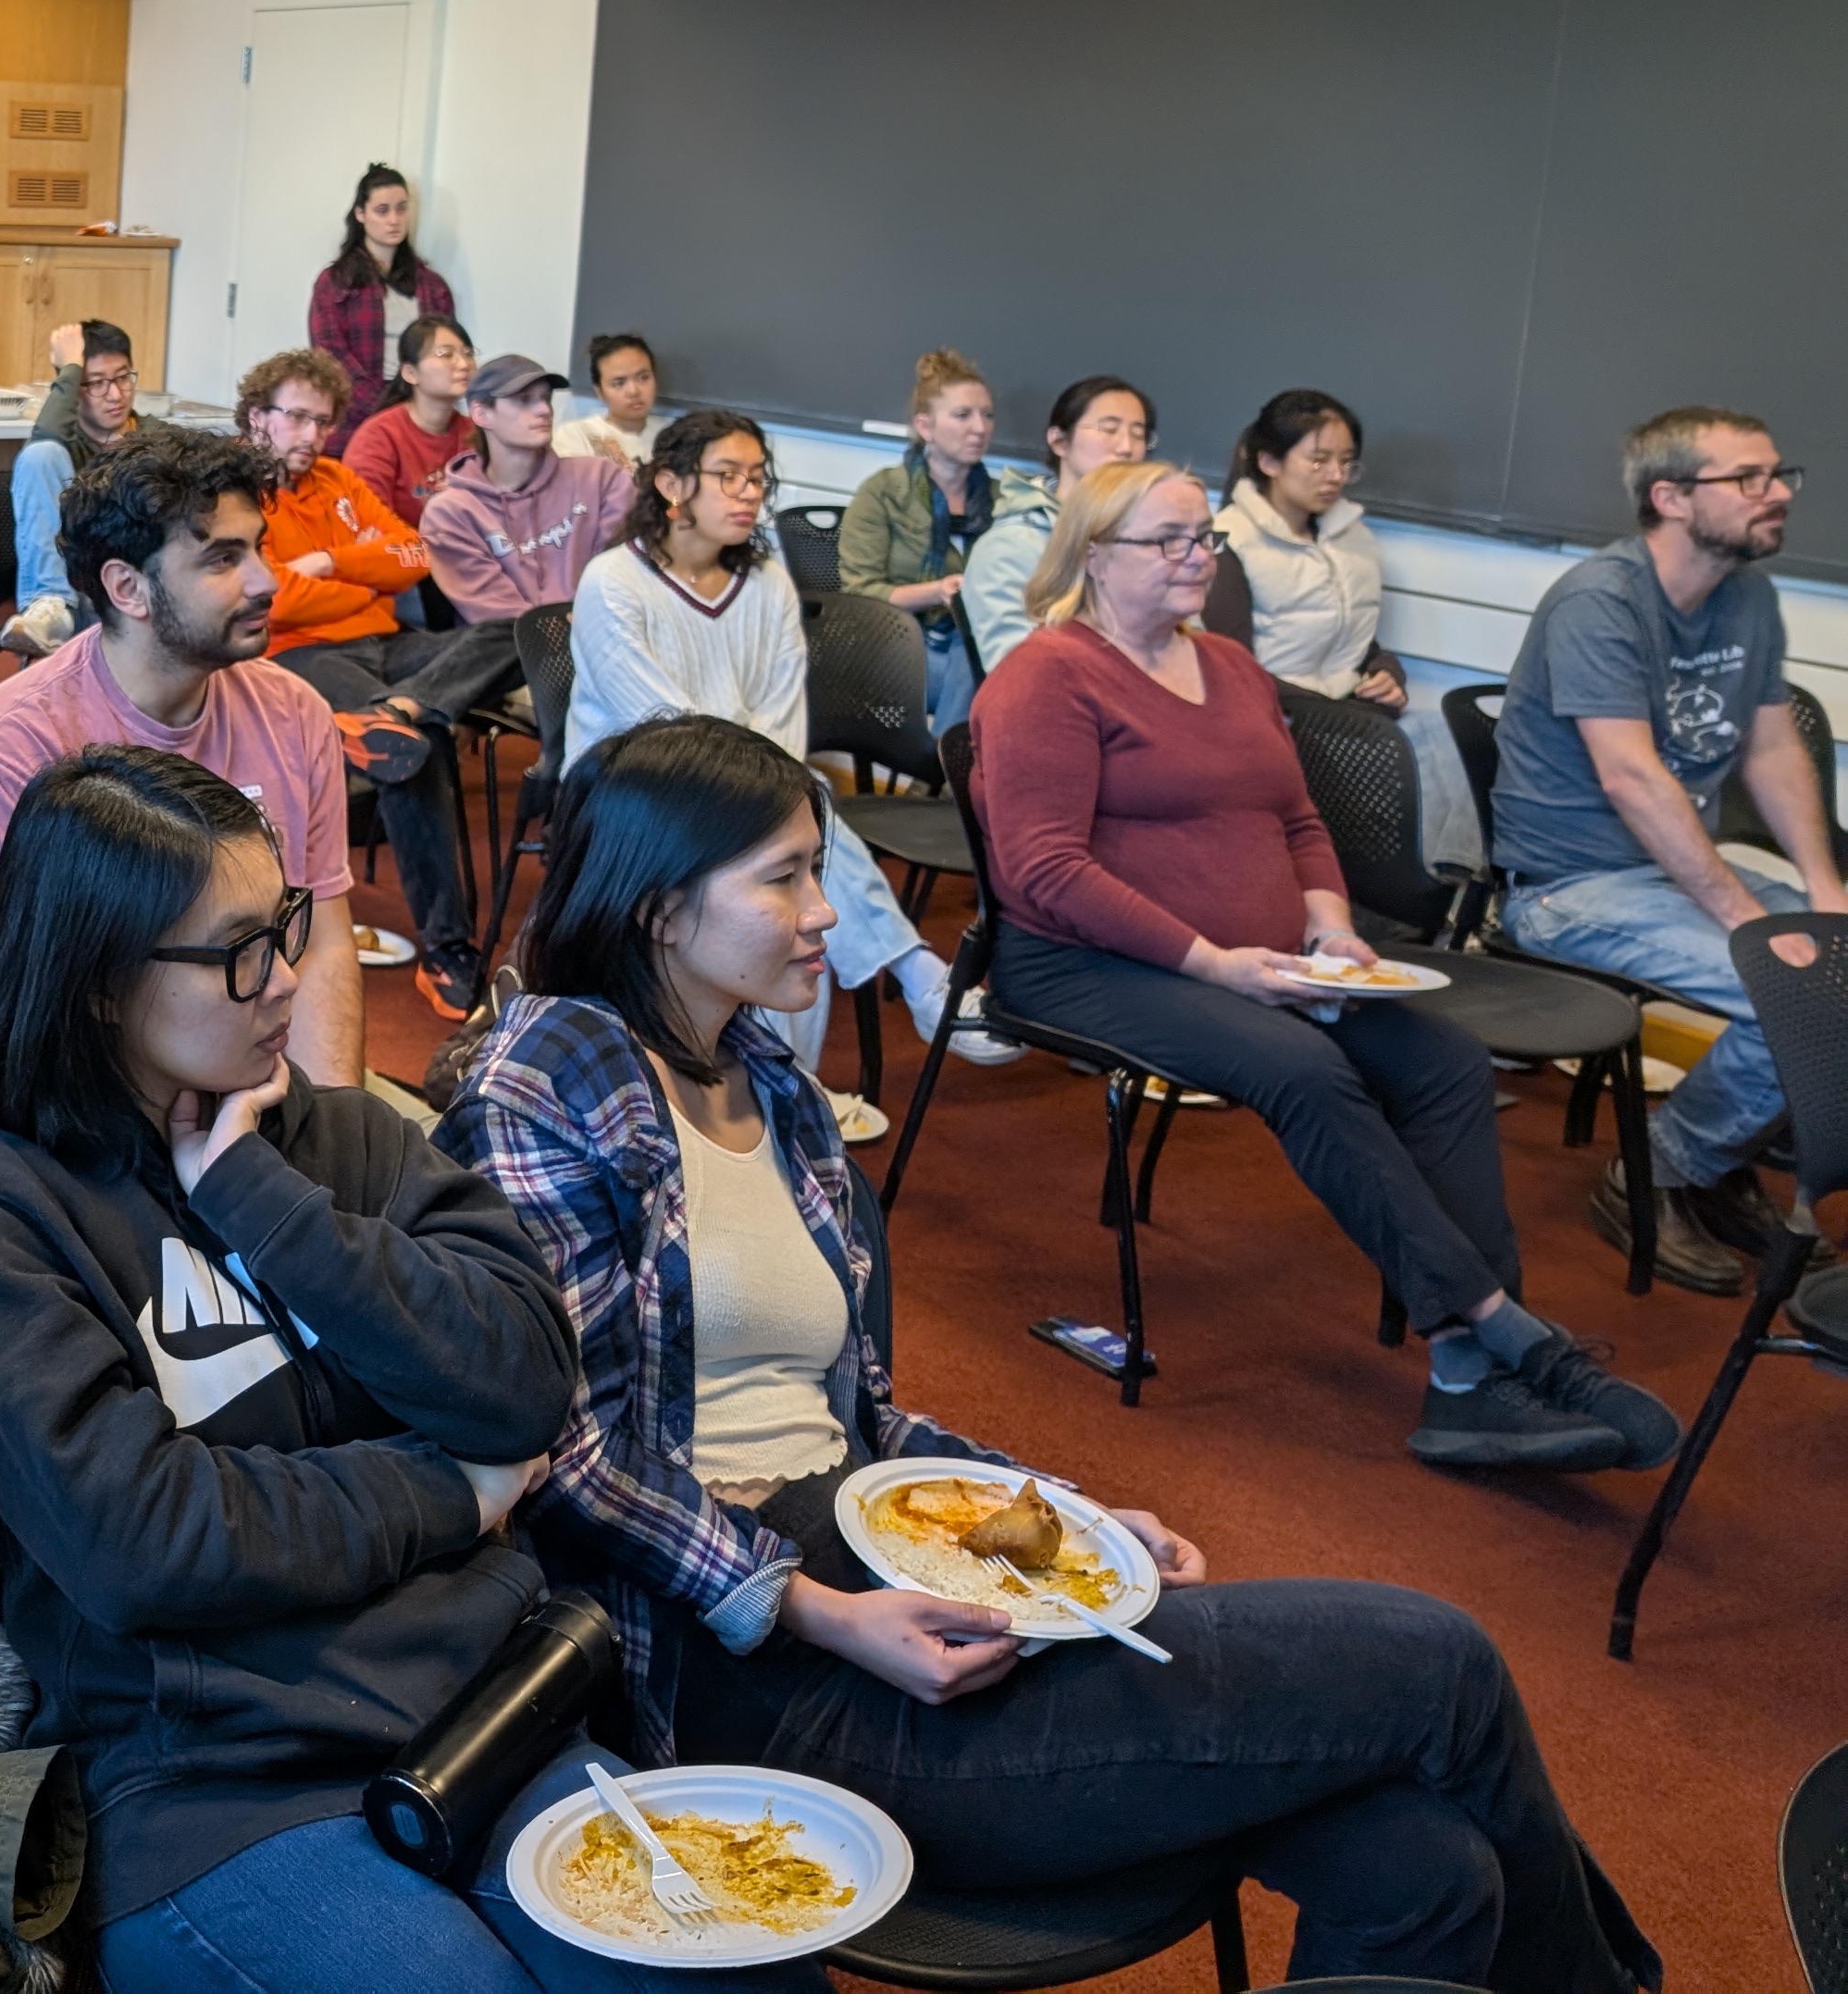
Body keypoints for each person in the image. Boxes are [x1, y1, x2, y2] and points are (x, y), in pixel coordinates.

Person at [437, 715, 1662, 1994]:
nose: (828, 909)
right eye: (787, 875)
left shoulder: (769, 1083)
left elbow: (859, 1420)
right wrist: (818, 1611)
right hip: (746, 1668)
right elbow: (560, 1452)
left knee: (1425, 1870)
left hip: (872, 1578)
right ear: (659, 910)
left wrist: (1063, 1520)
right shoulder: (550, 1075)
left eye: (824, 867)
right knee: (1441, 1660)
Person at [0, 750, 794, 1994]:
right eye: (236, 952)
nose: (285, 980)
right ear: (103, 981)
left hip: (485, 1720)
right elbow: (141, 1541)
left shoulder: (342, 1138)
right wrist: (451, 1498)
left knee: (733, 1974)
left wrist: (259, 1201)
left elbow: (524, 1388)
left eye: (287, 926)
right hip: (210, 1787)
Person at [973, 461, 1680, 1468]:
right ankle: (1497, 1334)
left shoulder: (1229, 665)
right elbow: (1043, 871)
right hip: (1084, 962)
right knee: (1301, 1067)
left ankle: (1466, 1382)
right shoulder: (1046, 677)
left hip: (1259, 963)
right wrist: (1216, 965)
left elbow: (1295, 818)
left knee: (1441, 1060)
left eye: (1203, 538)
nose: (1196, 558)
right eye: (1167, 541)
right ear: (1093, 557)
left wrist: (1331, 932)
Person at [1494, 407, 1848, 1297]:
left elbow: (1770, 748)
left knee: (1833, 960)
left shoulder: (1747, 595)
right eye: (1750, 480)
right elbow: (1634, 780)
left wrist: (1823, 886)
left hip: (1672, 865)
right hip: (1571, 885)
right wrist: (1757, 925)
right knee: (1799, 991)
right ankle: (1656, 1174)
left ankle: (1718, 1161)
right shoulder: (1599, 601)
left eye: (1780, 476)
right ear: (1672, 497)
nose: (1777, 497)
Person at [0, 431, 365, 1084]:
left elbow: (324, 944)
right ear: (128, 588)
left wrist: (329, 1134)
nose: (266, 580)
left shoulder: (296, 715)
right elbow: (23, 1012)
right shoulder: (9, 752)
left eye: (258, 547)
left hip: (253, 1084)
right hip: (90, 1111)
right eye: (222, 560)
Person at [564, 410, 959, 1058]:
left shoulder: (767, 579)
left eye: (757, 478)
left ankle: (788, 1081)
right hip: (636, 792)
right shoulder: (614, 580)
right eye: (727, 476)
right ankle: (915, 971)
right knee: (793, 857)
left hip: (748, 788)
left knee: (795, 892)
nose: (749, 492)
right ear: (670, 484)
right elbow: (661, 725)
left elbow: (783, 710)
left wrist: (767, 793)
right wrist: (761, 795)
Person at [243, 349, 508, 1016]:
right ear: (256, 418)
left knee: (517, 629)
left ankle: (409, 706)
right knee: (407, 755)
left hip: (386, 649)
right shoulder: (238, 492)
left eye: (322, 421)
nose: (311, 435)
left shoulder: (337, 479)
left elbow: (417, 554)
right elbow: (273, 598)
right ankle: (448, 949)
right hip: (297, 655)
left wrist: (331, 559)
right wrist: (363, 586)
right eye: (296, 417)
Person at [418, 355, 636, 768]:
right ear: (481, 413)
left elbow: (624, 573)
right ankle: (568, 815)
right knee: (613, 704)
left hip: (608, 643)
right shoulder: (453, 511)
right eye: (523, 400)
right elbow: (500, 616)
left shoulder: (602, 479)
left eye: (545, 399)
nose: (543, 410)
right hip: (521, 662)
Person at [837, 351, 1004, 733]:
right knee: (980, 659)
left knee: (993, 652)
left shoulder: (1002, 499)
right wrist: (939, 591)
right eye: (963, 416)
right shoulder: (883, 493)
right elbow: (859, 593)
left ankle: (944, 777)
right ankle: (950, 776)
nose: (980, 428)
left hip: (976, 648)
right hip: (897, 647)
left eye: (987, 415)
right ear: (925, 426)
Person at [1218, 389, 1404, 709]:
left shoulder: (1352, 537)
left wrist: (1385, 671)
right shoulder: (1229, 540)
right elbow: (1232, 669)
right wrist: (1330, 713)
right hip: (1276, 717)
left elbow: (1346, 635)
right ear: (1269, 462)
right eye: (1319, 461)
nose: (1336, 476)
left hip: (1343, 708)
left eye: (1346, 462)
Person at [958, 371, 1146, 670]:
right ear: (1059, 442)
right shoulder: (1012, 548)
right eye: (1109, 429)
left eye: (1139, 434)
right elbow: (1018, 677)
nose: (1127, 447)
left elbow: (1187, 647)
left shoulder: (1152, 544)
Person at [0, 317, 142, 658]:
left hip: (137, 588)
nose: (115, 395)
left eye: (123, 377)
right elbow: (43, 441)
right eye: (95, 383)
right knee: (41, 455)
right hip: (77, 589)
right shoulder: (63, 448)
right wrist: (70, 367)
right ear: (72, 387)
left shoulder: (152, 437)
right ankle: (50, 607)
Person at [305, 162, 456, 449]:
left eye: (401, 208)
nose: (394, 220)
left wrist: (420, 407)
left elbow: (445, 353)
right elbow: (331, 357)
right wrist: (386, 407)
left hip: (420, 415)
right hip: (355, 420)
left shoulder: (433, 286)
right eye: (382, 210)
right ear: (361, 214)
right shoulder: (335, 281)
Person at [341, 314, 478, 531]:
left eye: (468, 354)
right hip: (401, 557)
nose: (463, 364)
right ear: (410, 373)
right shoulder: (378, 437)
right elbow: (370, 523)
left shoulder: (477, 433)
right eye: (446, 354)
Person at [553, 332, 660, 472]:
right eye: (619, 383)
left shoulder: (673, 435)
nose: (633, 391)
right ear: (599, 391)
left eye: (643, 377)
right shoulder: (576, 434)